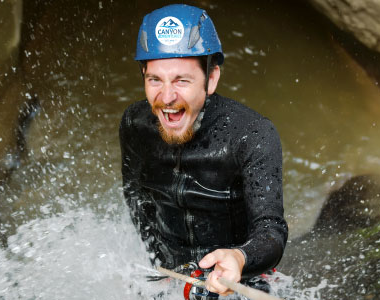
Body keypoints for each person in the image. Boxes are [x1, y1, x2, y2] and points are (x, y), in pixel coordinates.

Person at [119, 4, 288, 298]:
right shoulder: (135, 124)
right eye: (155, 79)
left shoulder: (252, 134)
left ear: (211, 79)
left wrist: (240, 259)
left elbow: (271, 230)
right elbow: (137, 198)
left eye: (182, 80)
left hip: (238, 275)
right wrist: (157, 264)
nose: (167, 97)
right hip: (170, 274)